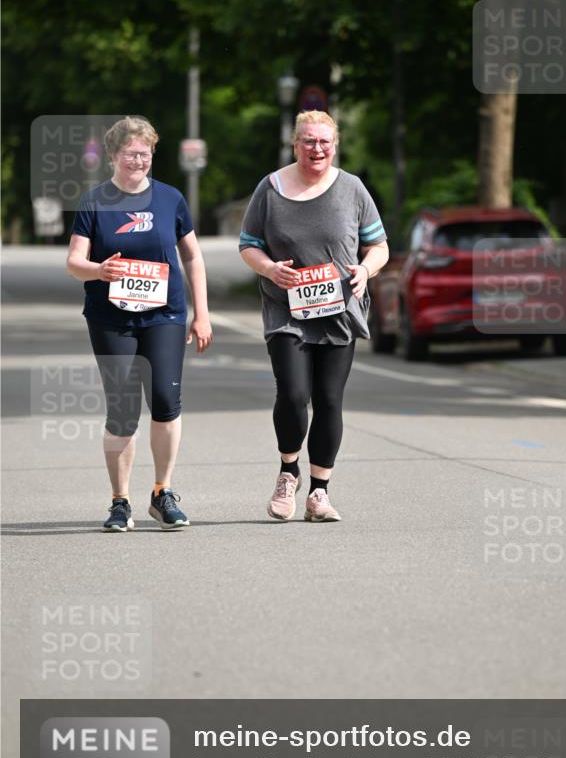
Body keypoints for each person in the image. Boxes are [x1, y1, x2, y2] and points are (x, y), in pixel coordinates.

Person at [239, 110, 389, 522]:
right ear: (295, 144)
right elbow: (248, 244)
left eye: (324, 141)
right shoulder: (269, 189)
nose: (316, 148)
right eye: (308, 141)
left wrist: (365, 269)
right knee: (292, 393)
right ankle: (289, 471)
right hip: (286, 309)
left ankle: (319, 492)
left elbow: (379, 246)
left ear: (335, 145)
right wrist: (269, 269)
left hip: (339, 310)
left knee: (328, 400)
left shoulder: (353, 189)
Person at [66, 116, 213, 532]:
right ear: (113, 155)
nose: (138, 159)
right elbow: (74, 262)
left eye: (145, 153)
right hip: (111, 319)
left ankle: (162, 492)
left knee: (166, 404)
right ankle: (119, 501)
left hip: (165, 315)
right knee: (123, 412)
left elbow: (193, 258)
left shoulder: (170, 199)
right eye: (130, 152)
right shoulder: (95, 202)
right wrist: (99, 271)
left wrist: (202, 313)